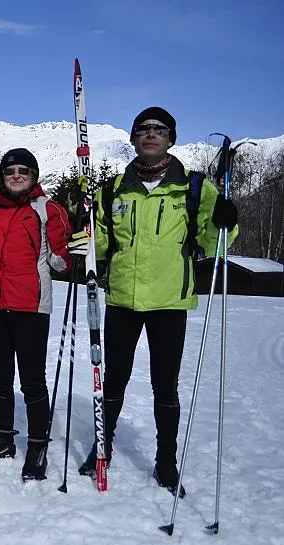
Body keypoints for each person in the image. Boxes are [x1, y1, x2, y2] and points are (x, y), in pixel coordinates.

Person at [80, 107, 237, 496]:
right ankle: (103, 447)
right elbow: (98, 244)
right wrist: (79, 229)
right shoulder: (112, 190)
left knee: (164, 387)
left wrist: (226, 222)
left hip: (169, 301)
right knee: (112, 380)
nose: (151, 134)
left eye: (159, 130)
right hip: (122, 300)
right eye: (143, 130)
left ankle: (166, 461)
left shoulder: (195, 188)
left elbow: (209, 240)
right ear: (133, 139)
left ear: (171, 139)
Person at [0, 148, 82, 481]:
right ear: (3, 176)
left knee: (33, 383)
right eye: (10, 171)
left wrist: (78, 240)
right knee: (0, 379)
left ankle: (37, 446)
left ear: (34, 175)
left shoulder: (47, 210)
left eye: (24, 170)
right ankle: (3, 438)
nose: (17, 175)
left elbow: (59, 261)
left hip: (30, 308)